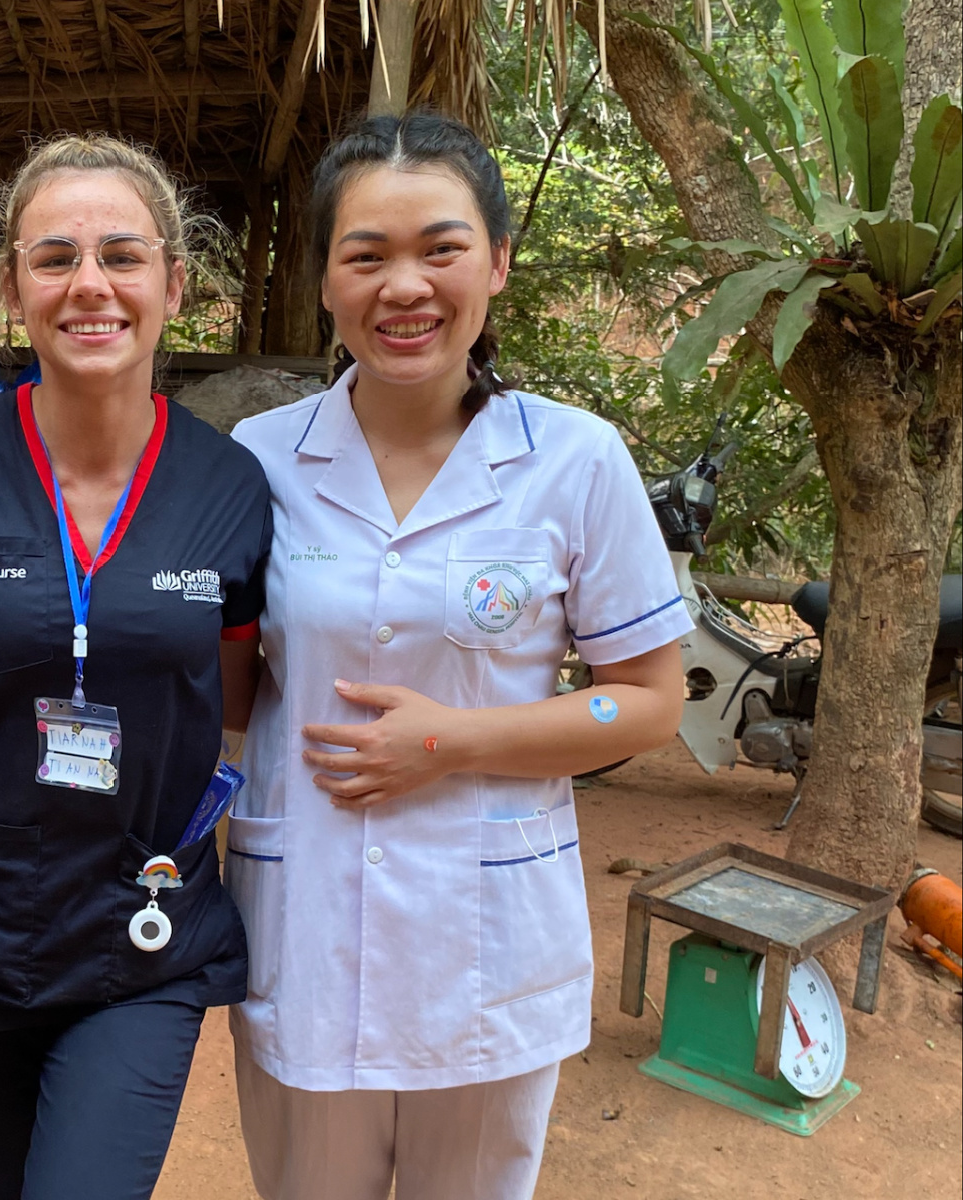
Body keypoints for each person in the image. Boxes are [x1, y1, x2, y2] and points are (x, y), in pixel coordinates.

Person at [224, 111, 689, 1200]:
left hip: (491, 945)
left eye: (441, 249)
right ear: (328, 282)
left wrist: (451, 740)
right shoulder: (260, 458)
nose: (406, 288)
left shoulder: (576, 460)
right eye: (367, 255)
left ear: (498, 265)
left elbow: (652, 704)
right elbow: (227, 681)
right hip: (308, 921)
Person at [0, 134, 272, 1200]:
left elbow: (229, 696)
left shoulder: (229, 487)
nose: (89, 284)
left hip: (145, 937)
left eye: (122, 254)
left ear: (174, 282)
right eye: (53, 257)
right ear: (13, 288)